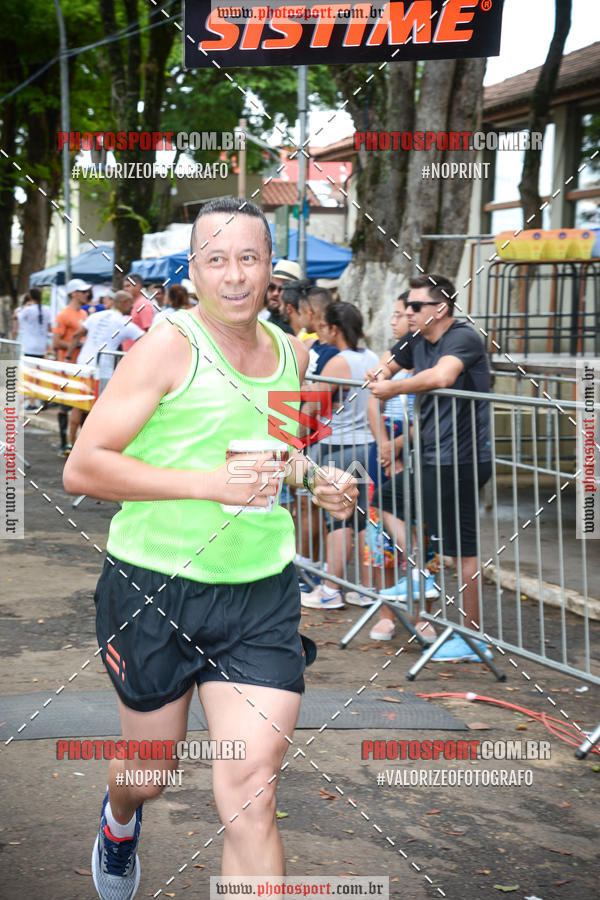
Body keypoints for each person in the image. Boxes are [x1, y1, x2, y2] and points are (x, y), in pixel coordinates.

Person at [63, 196, 358, 900]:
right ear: (193, 270)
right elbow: (83, 467)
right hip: (154, 587)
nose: (233, 275)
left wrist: (317, 482)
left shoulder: (290, 353)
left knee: (253, 790)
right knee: (151, 770)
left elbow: (277, 453)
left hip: (259, 593)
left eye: (248, 258)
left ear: (270, 270)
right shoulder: (166, 347)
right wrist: (207, 485)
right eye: (216, 259)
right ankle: (120, 819)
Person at [368, 273, 492, 661]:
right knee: (387, 500)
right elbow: (386, 366)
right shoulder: (416, 337)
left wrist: (392, 387)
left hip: (463, 460)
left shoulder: (463, 337)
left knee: (463, 552)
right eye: (406, 306)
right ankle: (420, 577)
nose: (408, 312)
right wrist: (380, 375)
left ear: (440, 309)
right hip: (430, 457)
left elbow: (442, 375)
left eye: (415, 306)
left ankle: (473, 638)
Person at [300, 302, 378, 610]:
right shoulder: (371, 357)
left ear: (335, 329)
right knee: (362, 520)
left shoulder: (339, 362)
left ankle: (330, 589)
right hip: (366, 443)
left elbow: (313, 404)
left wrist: (295, 438)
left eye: (324, 327)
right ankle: (366, 588)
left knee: (337, 519)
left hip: (338, 446)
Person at [66, 290, 144, 389]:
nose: (132, 307)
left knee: (81, 397)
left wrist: (68, 358)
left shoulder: (95, 316)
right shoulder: (124, 323)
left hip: (83, 365)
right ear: (123, 302)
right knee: (100, 398)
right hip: (103, 370)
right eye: (131, 304)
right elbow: (147, 339)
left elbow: (76, 335)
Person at [52, 279, 90, 456]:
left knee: (81, 405)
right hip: (66, 366)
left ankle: (78, 446)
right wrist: (76, 345)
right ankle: (63, 445)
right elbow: (56, 342)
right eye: (83, 292)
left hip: (81, 367)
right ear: (73, 294)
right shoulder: (63, 315)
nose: (86, 294)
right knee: (64, 406)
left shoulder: (84, 313)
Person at [120, 273, 155, 350]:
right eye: (124, 287)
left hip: (138, 352)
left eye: (128, 286)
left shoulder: (144, 305)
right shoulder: (131, 304)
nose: (125, 289)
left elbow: (149, 332)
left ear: (138, 286)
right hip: (128, 352)